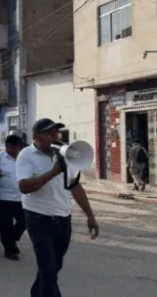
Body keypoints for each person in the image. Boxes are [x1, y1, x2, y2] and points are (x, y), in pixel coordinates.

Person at [16, 118, 99, 297]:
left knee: (55, 266)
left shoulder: (63, 156)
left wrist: (90, 215)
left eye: (56, 132)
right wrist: (53, 172)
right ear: (37, 136)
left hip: (63, 218)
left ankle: (36, 292)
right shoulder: (26, 156)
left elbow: (74, 186)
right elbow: (24, 187)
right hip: (38, 218)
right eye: (50, 133)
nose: (55, 136)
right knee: (48, 269)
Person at [0, 134, 26, 261]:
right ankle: (10, 250)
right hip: (4, 198)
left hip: (22, 198)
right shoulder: (0, 157)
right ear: (9, 146)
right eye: (15, 147)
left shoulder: (24, 157)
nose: (17, 150)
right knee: (6, 226)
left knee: (24, 222)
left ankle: (12, 239)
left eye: (19, 147)